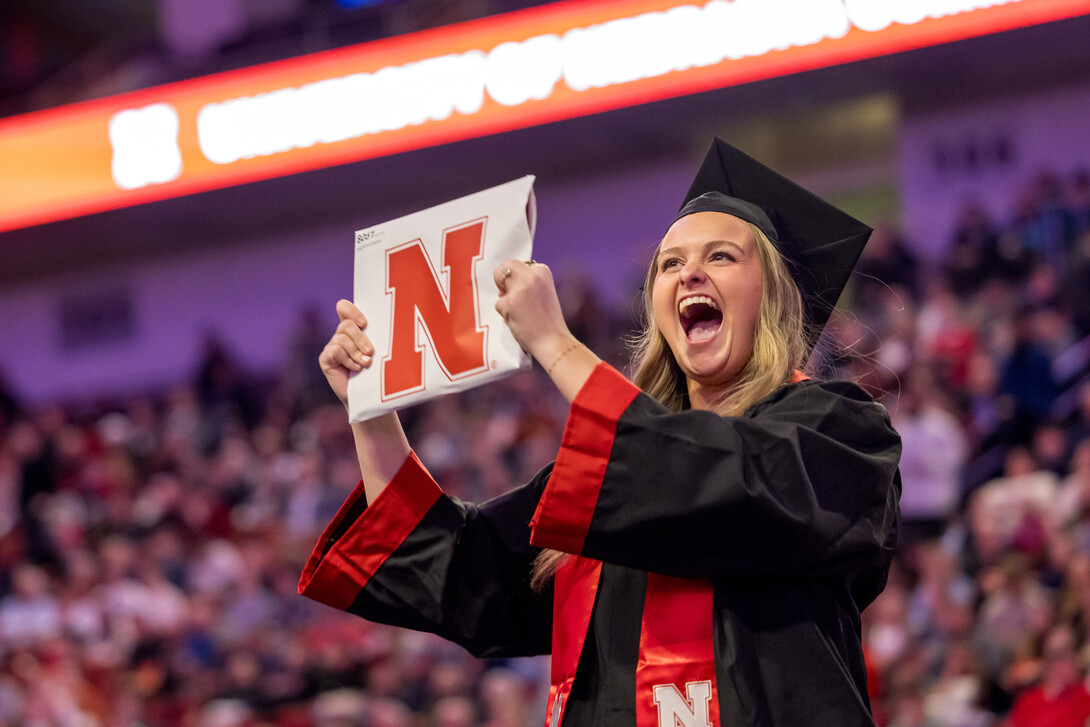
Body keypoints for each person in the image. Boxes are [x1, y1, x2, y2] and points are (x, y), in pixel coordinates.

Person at [298, 138, 902, 727]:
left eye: (720, 256)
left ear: (774, 296)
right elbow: (459, 574)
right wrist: (371, 410)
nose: (689, 273)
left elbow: (725, 484)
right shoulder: (593, 486)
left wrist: (558, 346)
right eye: (669, 263)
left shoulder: (839, 433)